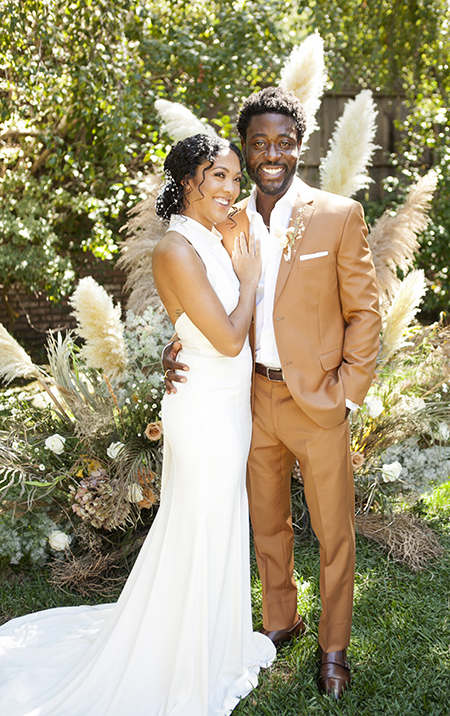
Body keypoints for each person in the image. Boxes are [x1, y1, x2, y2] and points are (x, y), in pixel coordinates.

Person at [0, 133, 275, 716]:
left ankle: (214, 641)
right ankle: (180, 655)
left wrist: (233, 255)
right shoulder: (176, 247)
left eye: (234, 176)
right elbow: (227, 338)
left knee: (218, 523)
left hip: (227, 404)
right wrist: (248, 277)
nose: (232, 187)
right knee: (197, 524)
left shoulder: (212, 237)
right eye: (218, 176)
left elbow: (211, 326)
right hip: (203, 409)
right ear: (187, 180)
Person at [163, 87, 382, 700]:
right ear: (246, 149)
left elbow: (366, 313)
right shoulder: (224, 219)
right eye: (259, 143)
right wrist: (177, 344)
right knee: (268, 523)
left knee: (334, 531)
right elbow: (195, 293)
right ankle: (279, 622)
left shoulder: (339, 215)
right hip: (250, 400)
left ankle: (333, 647)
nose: (271, 154)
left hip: (320, 402)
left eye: (283, 142)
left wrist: (349, 394)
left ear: (300, 146)